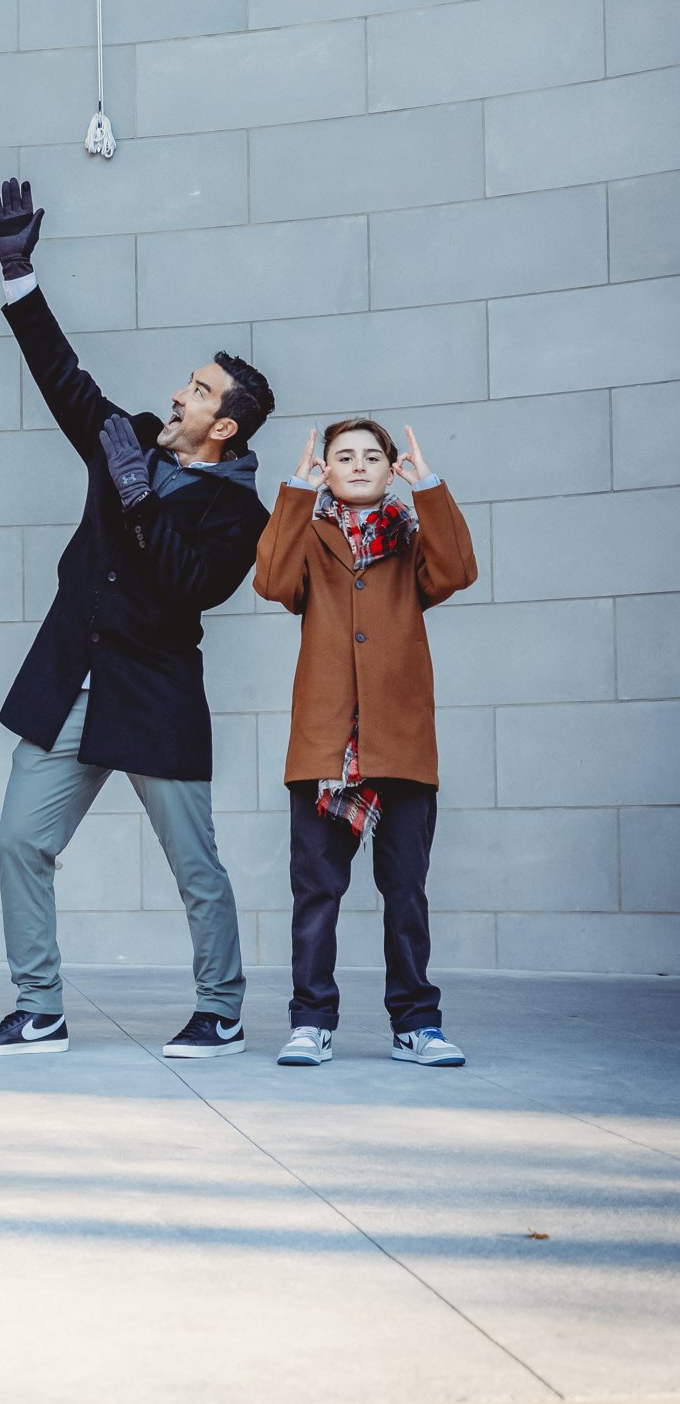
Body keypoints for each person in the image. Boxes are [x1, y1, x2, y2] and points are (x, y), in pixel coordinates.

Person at [0, 179, 274, 1061]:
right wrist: (19, 272)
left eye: (200, 389)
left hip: (154, 696)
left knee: (195, 868)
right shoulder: (127, 436)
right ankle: (39, 1009)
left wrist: (140, 505)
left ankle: (221, 1009)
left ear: (225, 425)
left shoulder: (239, 516)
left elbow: (189, 589)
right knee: (20, 841)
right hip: (70, 681)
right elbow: (64, 378)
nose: (180, 393)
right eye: (188, 382)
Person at [255, 416, 477, 1068]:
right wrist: (295, 492)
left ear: (390, 468)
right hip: (326, 747)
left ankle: (417, 1024)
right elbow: (270, 581)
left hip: (401, 743)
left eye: (371, 456)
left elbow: (459, 569)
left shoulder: (413, 541)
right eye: (342, 456)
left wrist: (429, 487)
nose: (357, 465)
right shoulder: (310, 533)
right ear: (325, 469)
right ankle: (311, 1021)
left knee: (406, 892)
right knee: (316, 894)